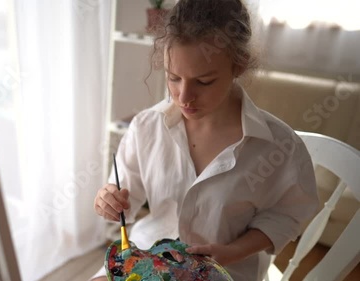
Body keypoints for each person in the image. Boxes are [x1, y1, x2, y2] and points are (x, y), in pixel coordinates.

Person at [91, 0, 319, 280]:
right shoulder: (147, 127)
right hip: (146, 262)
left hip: (225, 270)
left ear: (239, 65)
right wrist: (110, 200)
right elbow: (127, 194)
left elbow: (287, 215)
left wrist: (231, 251)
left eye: (204, 81)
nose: (184, 97)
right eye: (174, 77)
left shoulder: (277, 146)